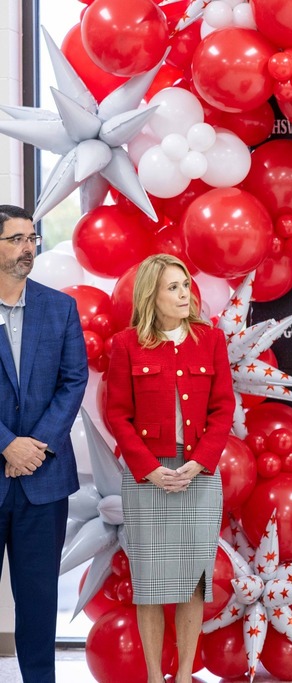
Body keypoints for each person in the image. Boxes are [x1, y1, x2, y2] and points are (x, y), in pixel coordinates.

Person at [105, 254, 233, 683]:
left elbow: (222, 408)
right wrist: (148, 469)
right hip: (148, 477)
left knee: (193, 579)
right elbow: (117, 415)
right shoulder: (126, 344)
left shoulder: (210, 339)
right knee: (151, 582)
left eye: (185, 285)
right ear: (151, 296)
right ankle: (154, 677)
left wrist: (199, 463)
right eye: (173, 288)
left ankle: (182, 678)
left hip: (199, 474)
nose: (184, 294)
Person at [0, 204, 88, 683]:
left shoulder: (60, 308)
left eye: (31, 239)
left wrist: (33, 446)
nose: (27, 248)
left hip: (44, 478)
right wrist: (6, 445)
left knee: (38, 597)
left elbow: (74, 381)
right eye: (15, 239)